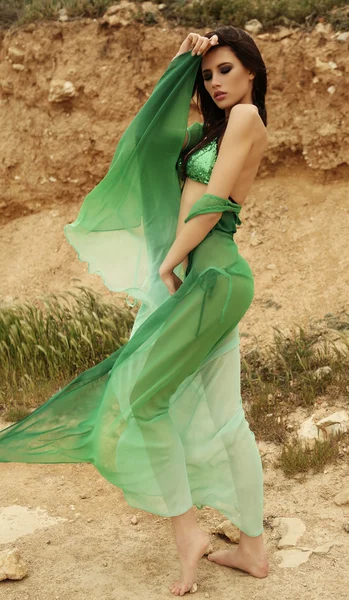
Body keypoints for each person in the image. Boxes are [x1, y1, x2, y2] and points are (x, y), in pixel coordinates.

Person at [0, 26, 269, 597]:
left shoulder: (247, 120)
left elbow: (215, 202)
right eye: (208, 74)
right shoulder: (205, 133)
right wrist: (179, 62)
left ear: (250, 70)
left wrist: (170, 262)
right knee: (224, 414)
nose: (215, 81)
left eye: (225, 69)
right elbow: (146, 145)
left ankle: (189, 533)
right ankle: (252, 549)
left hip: (212, 276)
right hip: (204, 279)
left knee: (142, 399)